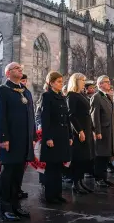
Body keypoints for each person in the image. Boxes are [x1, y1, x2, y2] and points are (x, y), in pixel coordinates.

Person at [0, 62, 35, 221]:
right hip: (10, 140)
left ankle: (16, 206)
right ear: (8, 73)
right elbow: (0, 116)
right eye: (17, 68)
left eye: (21, 68)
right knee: (8, 175)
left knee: (18, 175)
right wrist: (4, 138)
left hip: (24, 140)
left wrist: (32, 138)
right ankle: (5, 208)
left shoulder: (26, 92)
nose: (20, 70)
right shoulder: (2, 90)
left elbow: (31, 117)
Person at [39, 71, 72, 203]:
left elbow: (67, 118)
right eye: (58, 81)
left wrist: (69, 135)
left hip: (62, 136)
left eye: (61, 81)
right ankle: (50, 195)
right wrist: (48, 138)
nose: (61, 83)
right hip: (53, 136)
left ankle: (58, 194)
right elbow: (45, 119)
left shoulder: (62, 97)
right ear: (51, 83)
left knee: (58, 167)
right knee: (51, 168)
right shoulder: (47, 96)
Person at [66, 73, 95, 194]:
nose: (84, 82)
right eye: (82, 80)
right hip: (79, 131)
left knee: (84, 158)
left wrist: (92, 130)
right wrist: (80, 131)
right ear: (76, 81)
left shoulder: (81, 94)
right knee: (78, 157)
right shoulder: (71, 95)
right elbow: (71, 115)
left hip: (87, 129)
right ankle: (75, 183)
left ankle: (81, 181)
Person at [90, 75, 114, 187]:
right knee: (100, 156)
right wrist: (97, 131)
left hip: (109, 130)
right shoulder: (97, 96)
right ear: (100, 84)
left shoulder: (107, 96)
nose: (109, 83)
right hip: (102, 131)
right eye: (106, 82)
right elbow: (94, 116)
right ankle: (98, 178)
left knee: (106, 155)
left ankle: (104, 177)